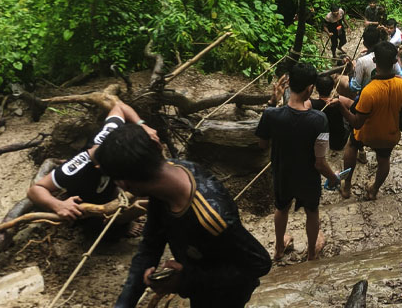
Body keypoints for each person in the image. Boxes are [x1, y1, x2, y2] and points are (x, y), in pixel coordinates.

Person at [95, 124, 271, 308]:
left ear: (124, 184)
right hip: (201, 271)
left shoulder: (211, 217)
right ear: (157, 146)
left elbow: (259, 263)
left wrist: (186, 280)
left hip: (227, 293)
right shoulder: (168, 173)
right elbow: (151, 243)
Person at [27, 102, 157, 235]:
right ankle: (121, 225)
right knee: (101, 230)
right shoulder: (75, 167)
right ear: (99, 166)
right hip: (90, 203)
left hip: (111, 188)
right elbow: (35, 190)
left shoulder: (109, 135)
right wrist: (58, 205)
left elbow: (119, 107)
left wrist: (142, 125)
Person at [255, 63, 341, 261]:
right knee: (312, 211)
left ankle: (278, 249)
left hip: (282, 173)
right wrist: (333, 178)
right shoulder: (319, 120)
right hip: (308, 178)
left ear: (289, 85)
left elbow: (262, 144)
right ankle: (311, 253)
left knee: (281, 208)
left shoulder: (271, 114)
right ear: (310, 88)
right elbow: (320, 162)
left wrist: (272, 101)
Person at [338, 42, 402, 200]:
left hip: (366, 134)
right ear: (395, 61)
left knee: (352, 145)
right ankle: (374, 190)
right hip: (389, 135)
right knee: (384, 160)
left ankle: (346, 187)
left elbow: (357, 123)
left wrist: (341, 107)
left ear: (375, 61)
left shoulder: (369, 91)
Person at [310, 75, 353, 152]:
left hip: (320, 142)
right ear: (333, 88)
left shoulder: (311, 104)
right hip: (337, 143)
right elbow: (354, 105)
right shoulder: (338, 100)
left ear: (316, 89)